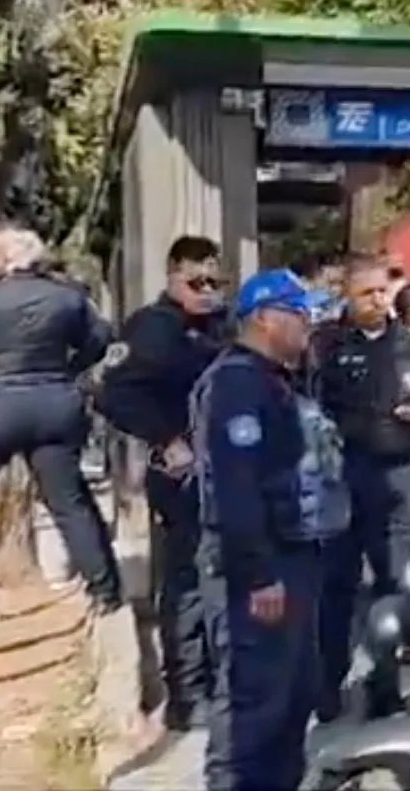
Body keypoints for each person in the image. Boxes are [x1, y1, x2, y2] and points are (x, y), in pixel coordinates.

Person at [194, 269, 350, 791]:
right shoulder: (237, 383)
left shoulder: (275, 380)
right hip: (259, 569)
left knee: (291, 701)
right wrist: (259, 574)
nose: (308, 326)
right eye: (299, 314)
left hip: (293, 556)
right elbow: (236, 486)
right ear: (264, 317)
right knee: (253, 709)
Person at [97, 235, 230, 729]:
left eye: (215, 282)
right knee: (187, 582)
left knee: (226, 579)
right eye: (197, 282)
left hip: (230, 471)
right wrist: (165, 438)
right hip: (181, 476)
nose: (207, 291)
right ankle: (187, 695)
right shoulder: (153, 328)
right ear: (173, 277)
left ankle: (220, 682)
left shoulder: (223, 326)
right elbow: (113, 394)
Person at [311, 255, 410, 722]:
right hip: (345, 474)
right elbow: (310, 405)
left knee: (400, 584)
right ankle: (328, 688)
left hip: (401, 474)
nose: (376, 300)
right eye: (365, 292)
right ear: (347, 295)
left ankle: (387, 689)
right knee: (336, 586)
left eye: (382, 292)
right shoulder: (325, 346)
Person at [0, 225, 123, 613]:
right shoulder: (68, 296)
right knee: (69, 502)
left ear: (9, 257)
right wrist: (69, 370)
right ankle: (104, 590)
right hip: (56, 403)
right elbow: (100, 338)